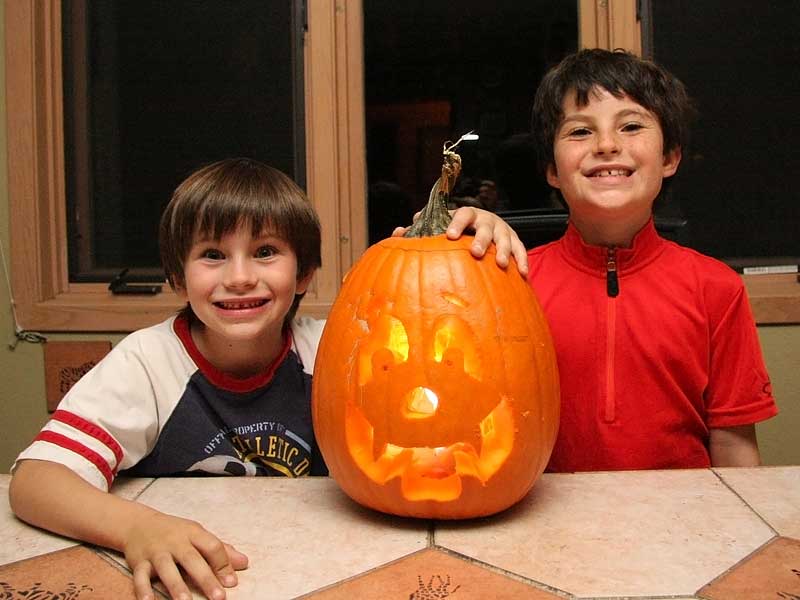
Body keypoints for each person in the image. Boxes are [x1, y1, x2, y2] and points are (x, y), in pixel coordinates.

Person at [9, 158, 526, 600]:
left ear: (303, 274)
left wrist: (465, 233)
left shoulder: (335, 348)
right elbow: (36, 481)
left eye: (265, 252)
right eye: (212, 255)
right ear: (176, 276)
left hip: (326, 566)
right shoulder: (148, 363)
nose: (239, 277)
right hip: (203, 575)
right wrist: (136, 527)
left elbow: (434, 302)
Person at [453, 49, 778, 471]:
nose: (607, 145)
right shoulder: (510, 280)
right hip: (543, 527)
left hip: (685, 525)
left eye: (630, 126)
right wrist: (451, 243)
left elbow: (734, 449)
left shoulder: (718, 288)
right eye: (580, 132)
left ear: (669, 158)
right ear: (552, 168)